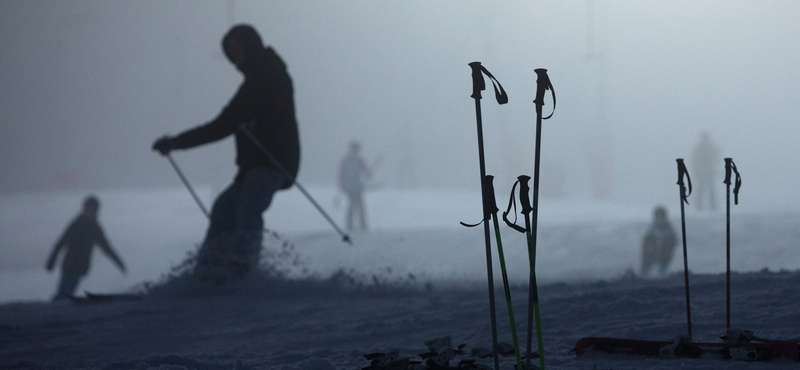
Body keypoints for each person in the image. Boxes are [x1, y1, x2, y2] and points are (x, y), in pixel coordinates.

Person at [152, 24, 300, 281]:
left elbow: (223, 125)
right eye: (230, 51)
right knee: (223, 208)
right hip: (254, 163)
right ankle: (211, 268)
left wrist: (177, 143)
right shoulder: (259, 76)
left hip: (271, 161)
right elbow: (227, 122)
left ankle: (242, 266)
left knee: (248, 208)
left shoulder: (267, 75)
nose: (234, 56)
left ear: (250, 45)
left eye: (237, 48)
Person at [45, 195, 126, 300]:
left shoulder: (95, 227)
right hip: (70, 264)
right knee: (64, 293)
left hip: (80, 266)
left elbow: (106, 247)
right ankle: (55, 306)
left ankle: (57, 305)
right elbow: (61, 243)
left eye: (94, 210)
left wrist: (118, 262)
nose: (92, 212)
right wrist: (51, 261)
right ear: (85, 209)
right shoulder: (76, 224)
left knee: (65, 292)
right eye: (90, 209)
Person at [338, 140, 371, 231]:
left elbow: (341, 174)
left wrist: (342, 185)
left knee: (351, 205)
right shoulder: (359, 159)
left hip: (349, 186)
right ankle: (362, 225)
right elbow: (367, 172)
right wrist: (369, 174)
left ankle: (350, 224)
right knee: (359, 206)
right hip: (357, 186)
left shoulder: (345, 159)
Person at [640, 206, 678, 278]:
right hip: (650, 257)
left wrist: (667, 252)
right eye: (658, 217)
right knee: (644, 274)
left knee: (661, 275)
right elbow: (645, 245)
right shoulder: (651, 230)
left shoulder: (670, 231)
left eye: (662, 217)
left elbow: (674, 243)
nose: (660, 219)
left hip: (664, 258)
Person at [691, 131, 721, 211]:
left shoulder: (707, 147)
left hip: (708, 171)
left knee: (709, 189)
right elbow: (694, 159)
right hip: (703, 171)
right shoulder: (700, 148)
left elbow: (717, 157)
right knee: (703, 189)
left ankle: (710, 205)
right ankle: (701, 205)